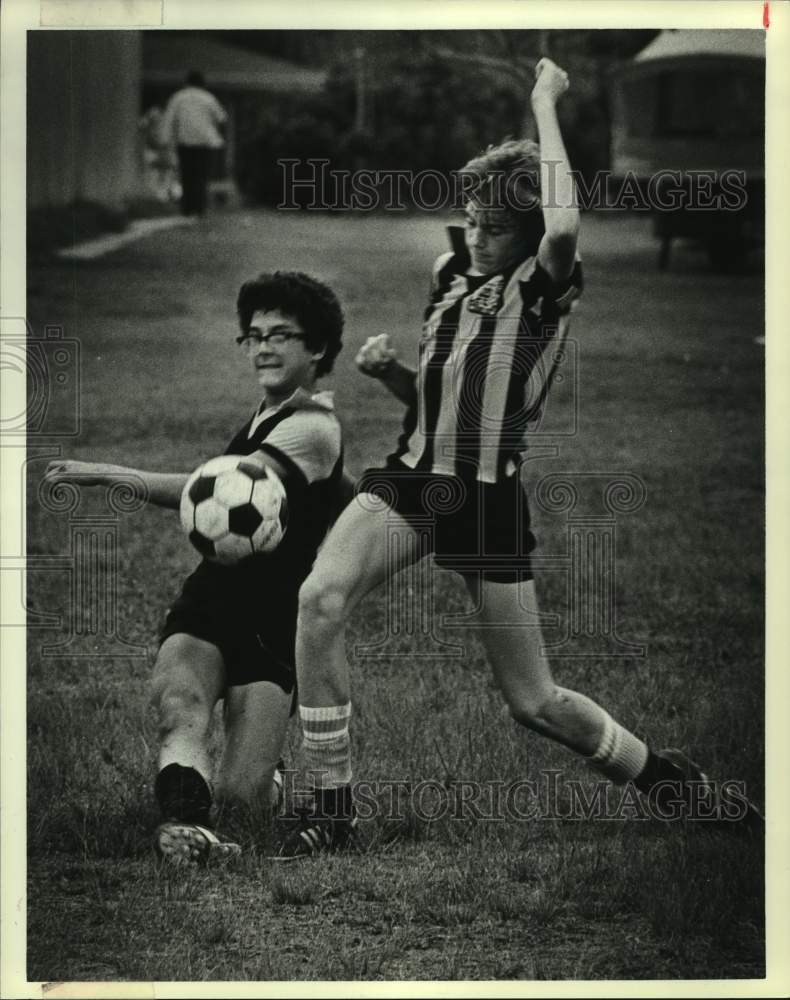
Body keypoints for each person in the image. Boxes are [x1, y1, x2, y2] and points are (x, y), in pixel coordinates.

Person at [283, 58, 763, 857]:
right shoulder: (448, 278)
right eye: (471, 218)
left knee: (535, 702)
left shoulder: (544, 286)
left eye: (495, 226)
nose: (476, 234)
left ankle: (670, 784)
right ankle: (331, 810)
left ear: (530, 235)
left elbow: (566, 225)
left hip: (487, 502)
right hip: (409, 483)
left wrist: (544, 102)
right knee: (320, 600)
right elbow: (450, 405)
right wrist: (395, 374)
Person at [45, 271, 347, 864]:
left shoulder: (314, 425)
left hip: (273, 618)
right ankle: (185, 825)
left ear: (317, 349)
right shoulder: (269, 414)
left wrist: (112, 474)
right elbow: (332, 491)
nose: (263, 345)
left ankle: (269, 784)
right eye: (253, 334)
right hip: (212, 596)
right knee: (178, 704)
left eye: (281, 334)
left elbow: (226, 487)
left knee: (242, 799)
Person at [161, 69, 228, 217]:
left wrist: (165, 139)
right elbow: (222, 117)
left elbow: (169, 119)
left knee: (187, 175)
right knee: (201, 175)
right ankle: (200, 208)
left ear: (187, 82)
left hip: (185, 141)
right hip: (204, 142)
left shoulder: (178, 97)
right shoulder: (208, 98)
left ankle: (187, 208)